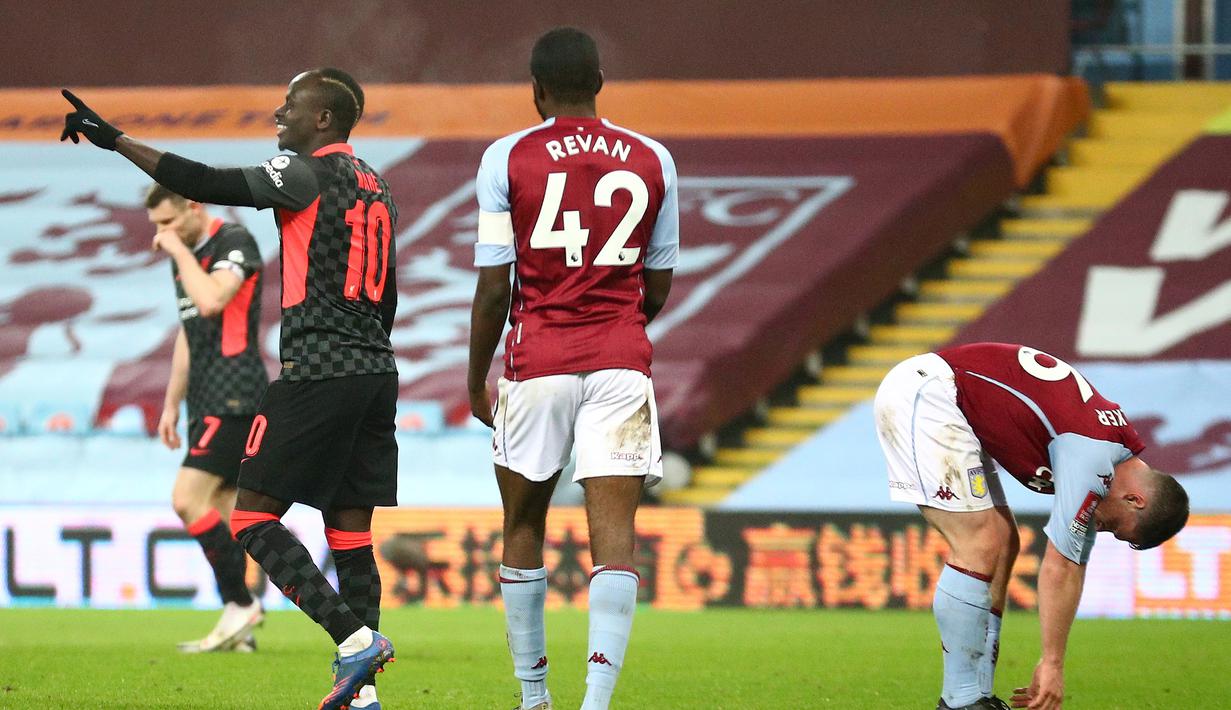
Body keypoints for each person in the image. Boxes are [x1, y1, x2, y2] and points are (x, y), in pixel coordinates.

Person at [62, 68, 399, 710]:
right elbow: (389, 291)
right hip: (376, 372)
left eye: (290, 106)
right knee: (350, 533)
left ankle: (354, 641)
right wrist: (368, 355)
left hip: (318, 370)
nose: (279, 114)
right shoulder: (378, 186)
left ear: (323, 120)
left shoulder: (300, 173)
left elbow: (205, 182)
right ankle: (362, 697)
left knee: (250, 517)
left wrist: (117, 141)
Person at [467, 27, 679, 710]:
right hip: (621, 362)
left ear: (535, 88)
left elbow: (494, 285)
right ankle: (595, 703)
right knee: (614, 538)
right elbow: (658, 280)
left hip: (538, 363)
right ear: (599, 81)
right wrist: (616, 322)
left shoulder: (506, 158)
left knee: (523, 523)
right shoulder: (652, 159)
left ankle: (534, 698)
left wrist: (477, 378)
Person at [873, 342, 1189, 710]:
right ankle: (960, 700)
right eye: (1116, 528)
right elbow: (1061, 565)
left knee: (1003, 542)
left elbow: (1074, 563)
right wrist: (1052, 663)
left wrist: (1053, 656)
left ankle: (979, 696)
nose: (1102, 529)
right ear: (1136, 500)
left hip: (949, 399)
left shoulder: (1112, 454)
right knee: (981, 540)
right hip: (931, 394)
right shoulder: (1093, 457)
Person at [146, 184, 266, 653]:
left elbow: (215, 300)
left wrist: (177, 250)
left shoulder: (234, 241)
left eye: (168, 223)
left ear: (194, 207)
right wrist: (172, 404)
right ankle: (242, 630)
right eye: (156, 227)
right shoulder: (189, 257)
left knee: (186, 499)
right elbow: (190, 332)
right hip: (205, 400)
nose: (161, 236)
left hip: (234, 397)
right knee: (224, 513)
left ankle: (240, 603)